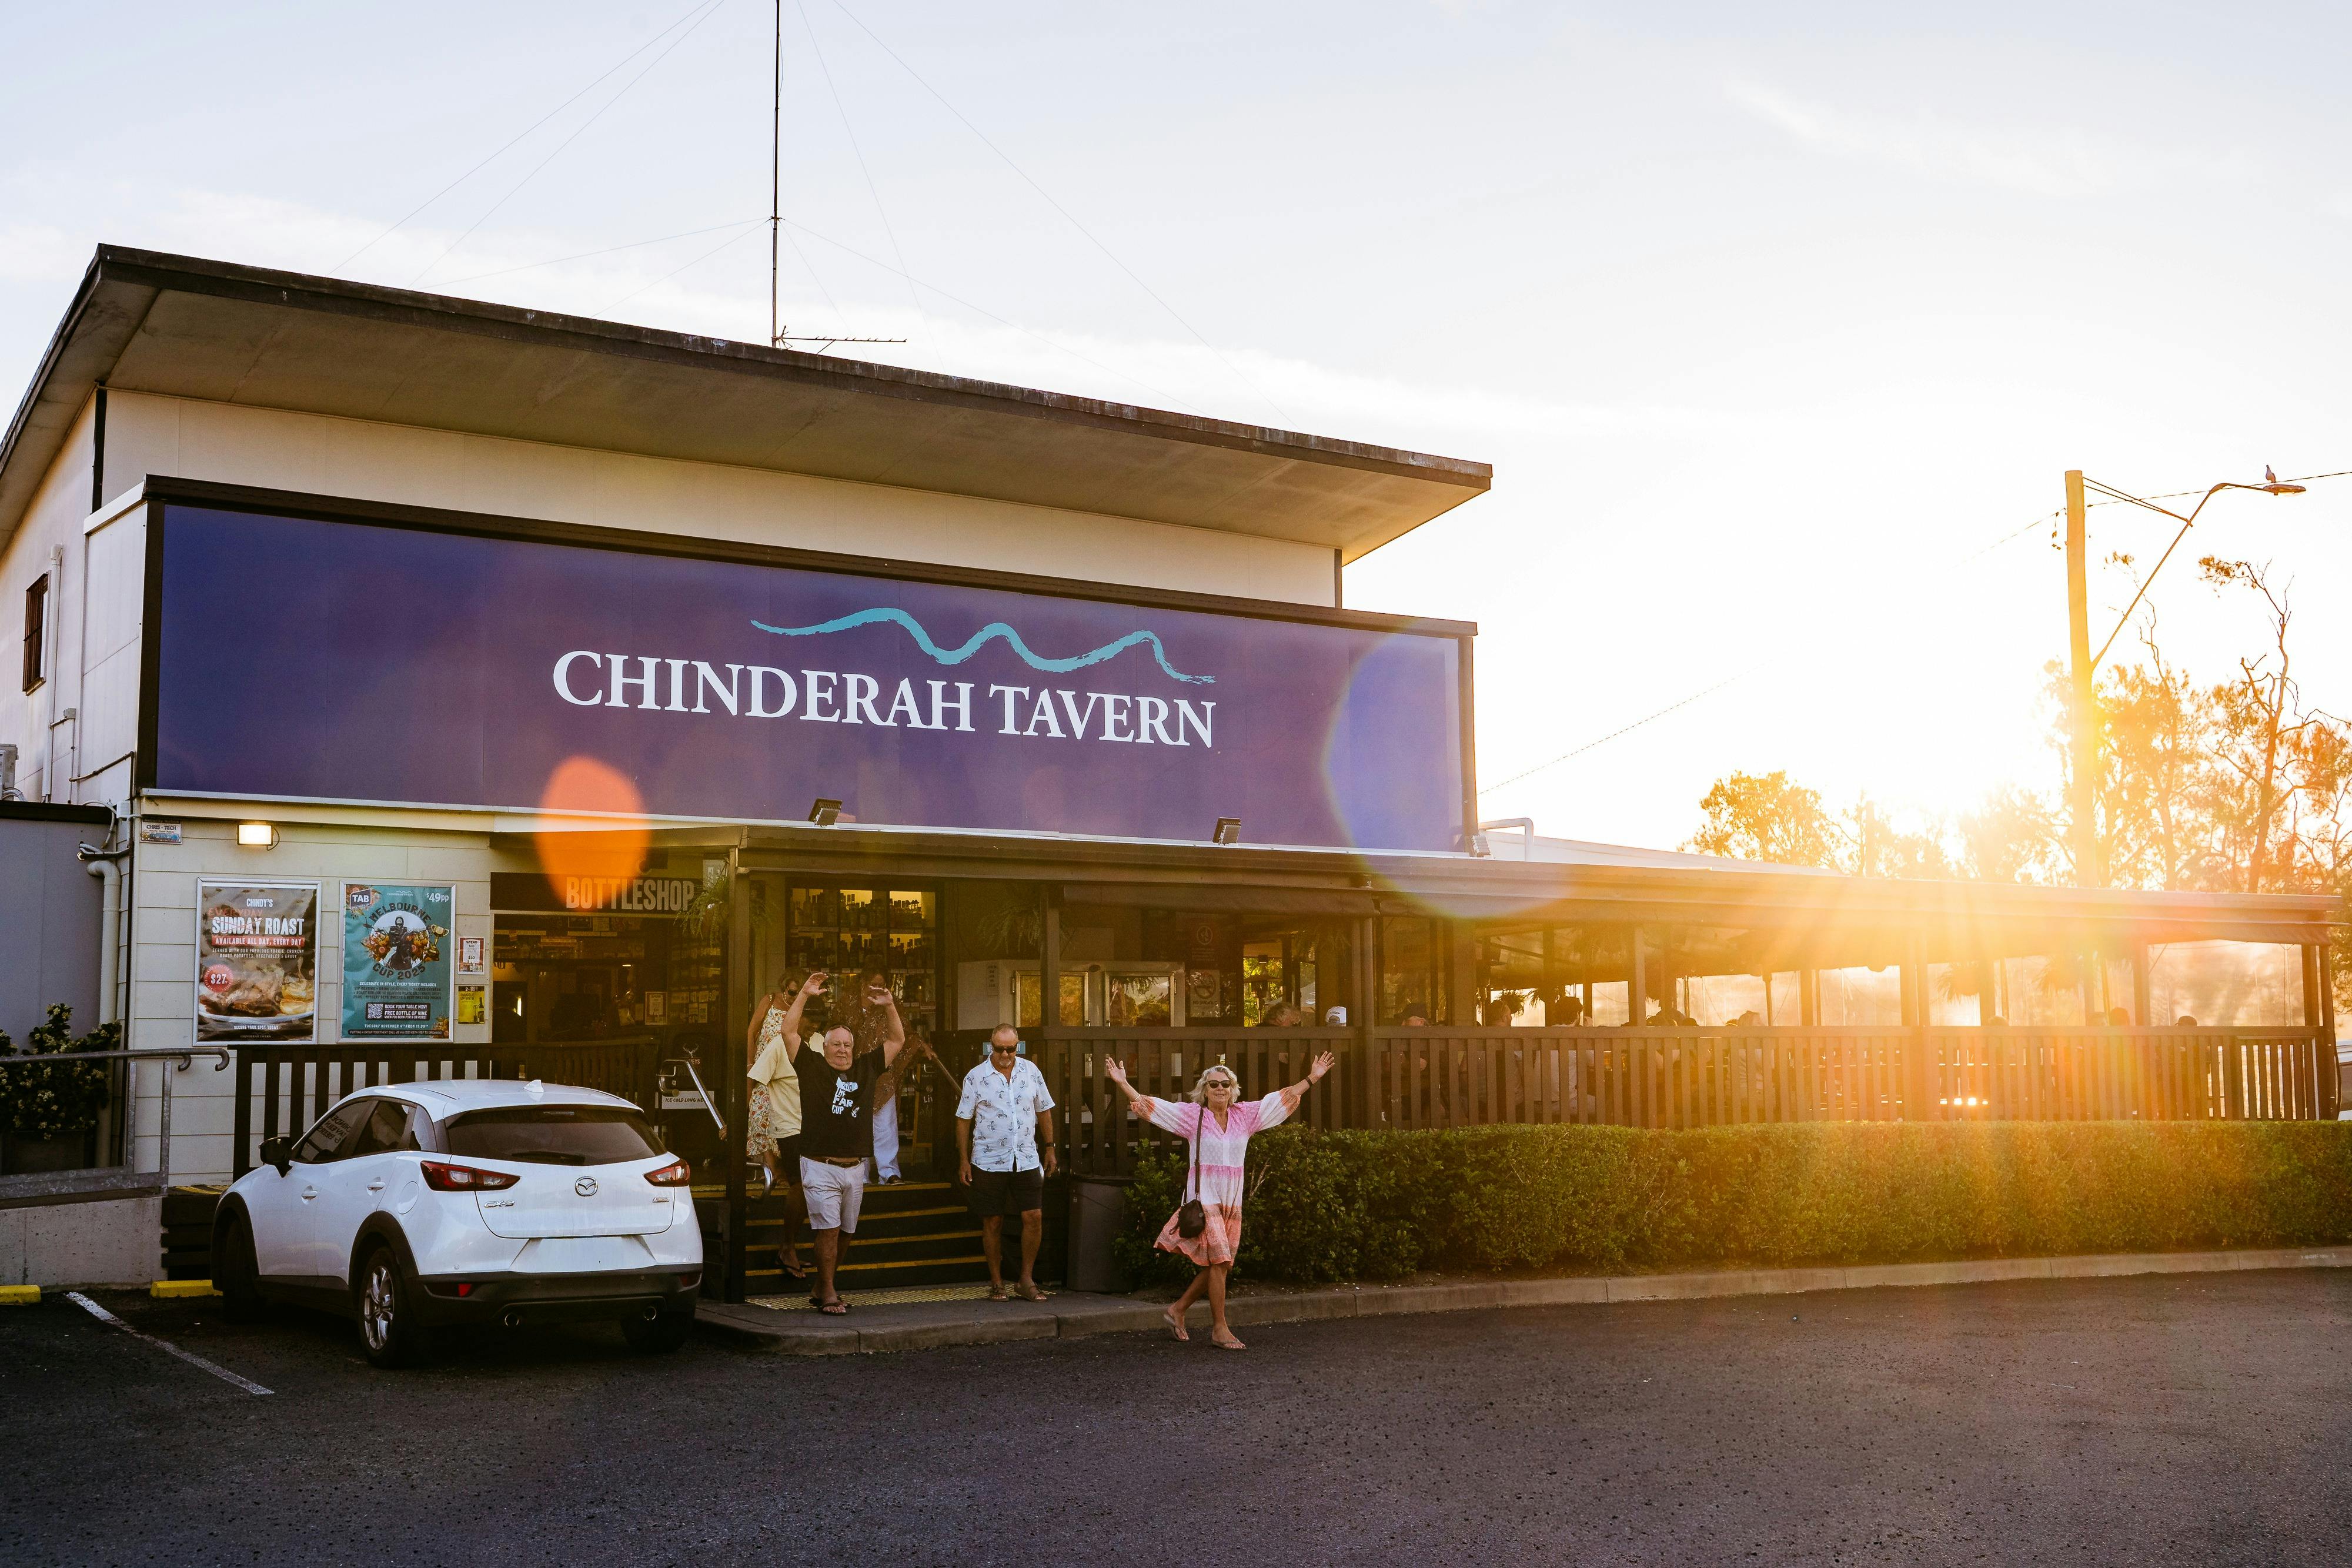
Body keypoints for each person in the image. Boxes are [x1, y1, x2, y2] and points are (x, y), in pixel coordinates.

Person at [1100, 1049, 1335, 1351]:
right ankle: (1219, 1329)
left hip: (1232, 1200)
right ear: (1204, 1090)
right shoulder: (1192, 1116)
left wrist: (1312, 1078)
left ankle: (1177, 1310)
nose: (1220, 1088)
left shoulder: (1246, 1116)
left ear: (1233, 1089)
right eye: (1214, 1085)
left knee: (1219, 1265)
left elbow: (1281, 1100)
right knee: (1221, 1261)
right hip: (1204, 1197)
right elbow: (1154, 1108)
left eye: (1225, 1084)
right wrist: (1122, 1083)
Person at [770, 969, 907, 1315]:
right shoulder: (812, 1066)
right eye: (836, 1044)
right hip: (819, 1165)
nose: (843, 1050)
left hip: (855, 1168)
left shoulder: (866, 1068)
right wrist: (804, 993)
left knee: (846, 1233)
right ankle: (828, 1292)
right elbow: (788, 1031)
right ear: (825, 1047)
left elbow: (897, 1041)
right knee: (828, 1233)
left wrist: (890, 1006)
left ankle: (821, 1284)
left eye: (847, 1045)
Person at [955, 1023, 1058, 1302]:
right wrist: (964, 1160)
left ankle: (1026, 1279)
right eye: (999, 1049)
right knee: (993, 1221)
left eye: (1010, 1049)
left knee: (1033, 1216)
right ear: (991, 1046)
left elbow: (1044, 1110)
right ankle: (997, 1282)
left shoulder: (1031, 1071)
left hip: (1025, 1156)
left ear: (1017, 1046)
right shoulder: (976, 1077)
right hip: (988, 1160)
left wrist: (1050, 1148)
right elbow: (963, 1120)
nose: (1005, 1054)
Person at [745, 972, 809, 1279]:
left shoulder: (799, 1010)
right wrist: (748, 1064)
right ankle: (769, 1177)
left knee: (778, 1121)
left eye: (798, 993)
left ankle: (778, 1175)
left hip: (782, 1072)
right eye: (790, 991)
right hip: (761, 1067)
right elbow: (751, 1032)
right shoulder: (769, 1001)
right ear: (783, 986)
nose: (793, 997)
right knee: (760, 1118)